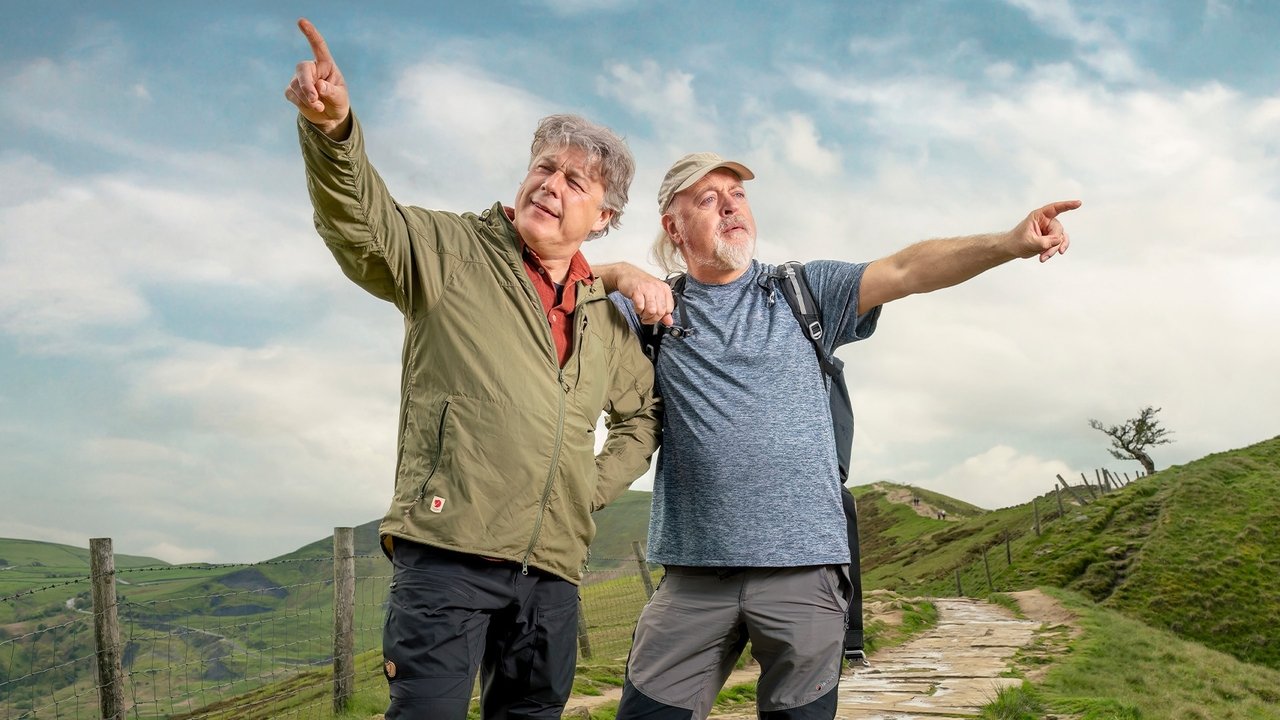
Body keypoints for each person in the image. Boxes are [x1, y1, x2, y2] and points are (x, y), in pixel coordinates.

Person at [600, 152, 1079, 719]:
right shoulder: (647, 311)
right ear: (673, 227)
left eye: (738, 195)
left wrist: (1007, 243)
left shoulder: (805, 290)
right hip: (693, 576)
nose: (730, 206)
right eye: (707, 199)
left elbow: (905, 270)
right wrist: (621, 274)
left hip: (804, 576)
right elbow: (560, 281)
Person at [284, 18, 662, 720]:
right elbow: (364, 226)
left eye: (574, 180)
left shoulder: (603, 321)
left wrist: (582, 488)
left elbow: (643, 418)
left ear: (603, 216)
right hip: (447, 554)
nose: (551, 184)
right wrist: (335, 135)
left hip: (552, 574)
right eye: (543, 168)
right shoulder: (450, 251)